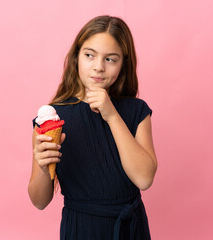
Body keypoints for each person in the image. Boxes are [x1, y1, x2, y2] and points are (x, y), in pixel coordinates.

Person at [28, 15, 157, 240]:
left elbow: (144, 179)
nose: (98, 67)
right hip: (81, 229)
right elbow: (40, 202)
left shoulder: (137, 111)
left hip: (129, 228)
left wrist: (112, 115)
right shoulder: (52, 118)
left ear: (123, 64)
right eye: (89, 55)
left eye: (110, 59)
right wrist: (41, 167)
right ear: (76, 57)